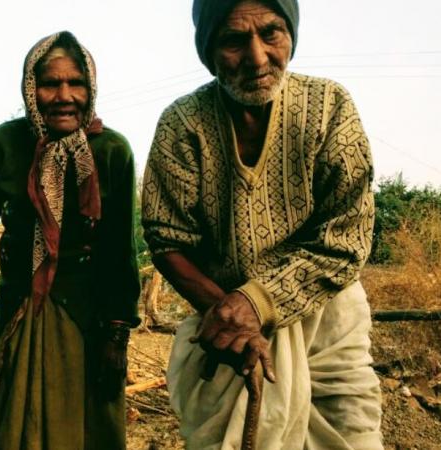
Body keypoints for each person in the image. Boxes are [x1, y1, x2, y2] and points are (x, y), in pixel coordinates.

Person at [141, 0, 383, 448]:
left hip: (325, 320)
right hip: (224, 322)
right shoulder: (183, 123)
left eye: (271, 33)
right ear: (209, 50)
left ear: (290, 34)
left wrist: (257, 302)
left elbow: (347, 237)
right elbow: (166, 238)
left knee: (349, 435)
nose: (256, 58)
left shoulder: (329, 107)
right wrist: (231, 317)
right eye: (234, 40)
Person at [0, 31, 140, 450]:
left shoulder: (112, 152)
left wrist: (117, 333)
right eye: (51, 83)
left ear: (91, 88)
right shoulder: (5, 145)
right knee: (20, 421)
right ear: (31, 90)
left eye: (76, 83)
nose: (64, 95)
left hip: (89, 314)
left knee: (90, 426)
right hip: (22, 304)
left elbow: (120, 251)